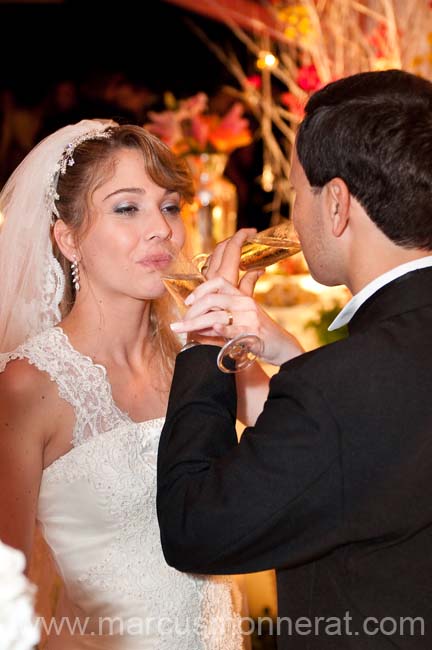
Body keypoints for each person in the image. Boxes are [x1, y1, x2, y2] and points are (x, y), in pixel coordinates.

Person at [156, 68, 432, 649]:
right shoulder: (363, 368)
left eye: (295, 192)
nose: (293, 216)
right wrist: (293, 358)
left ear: (336, 203)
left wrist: (207, 341)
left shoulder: (340, 388)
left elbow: (194, 527)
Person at [0, 119, 260, 649]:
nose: (161, 229)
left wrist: (250, 340)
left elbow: (296, 455)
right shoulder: (28, 386)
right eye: (126, 208)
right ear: (67, 238)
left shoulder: (199, 354)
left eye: (169, 206)